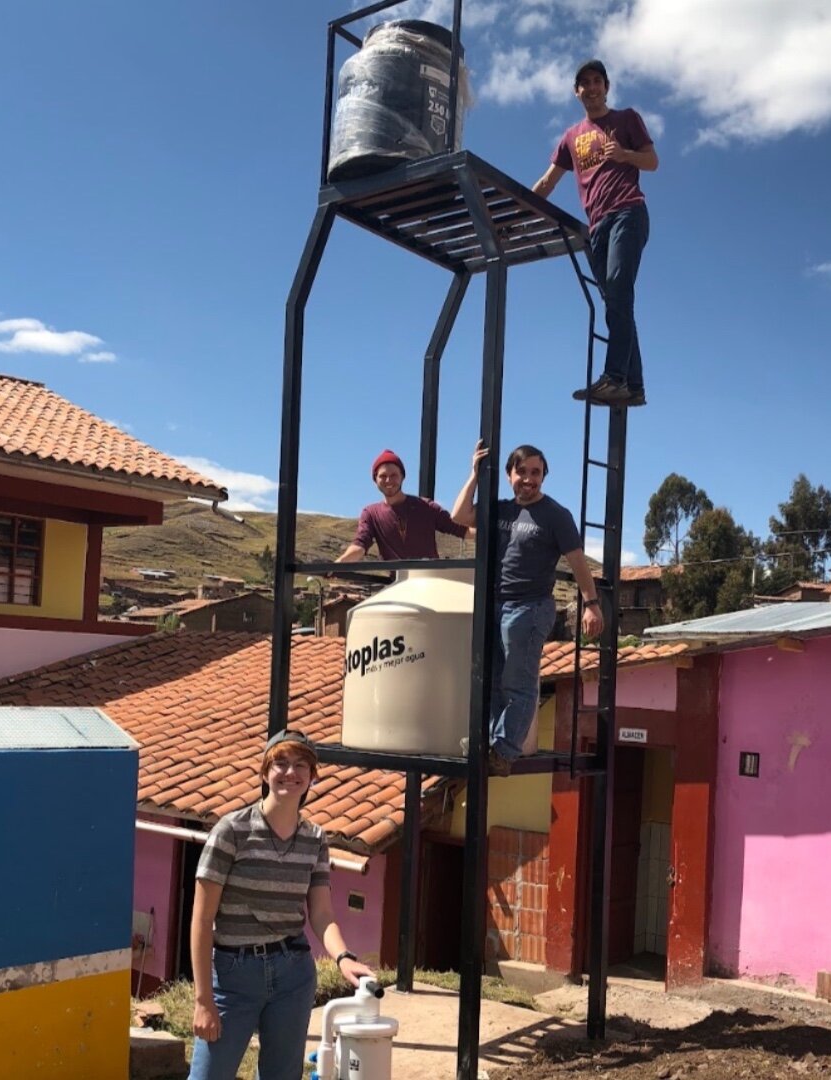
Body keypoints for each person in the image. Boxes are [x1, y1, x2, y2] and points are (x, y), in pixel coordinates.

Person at [188, 729, 373, 1080]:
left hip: (293, 974)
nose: (291, 772)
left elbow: (321, 914)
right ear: (264, 773)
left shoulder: (315, 839)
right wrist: (203, 999)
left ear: (312, 777)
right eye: (281, 763)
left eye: (301, 765)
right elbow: (201, 919)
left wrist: (344, 957)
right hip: (233, 975)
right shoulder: (231, 831)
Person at [452, 440, 604, 776]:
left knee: (517, 683)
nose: (529, 479)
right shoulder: (501, 509)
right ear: (510, 475)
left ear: (544, 477)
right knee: (491, 679)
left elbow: (578, 562)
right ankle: (491, 744)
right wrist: (474, 475)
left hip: (529, 608)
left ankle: (504, 750)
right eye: (522, 472)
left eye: (536, 473)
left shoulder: (555, 515)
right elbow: (459, 515)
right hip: (495, 604)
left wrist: (591, 604)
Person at [532, 59, 659, 408]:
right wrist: (517, 210)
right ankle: (634, 385)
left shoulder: (626, 119)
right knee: (615, 303)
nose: (591, 87)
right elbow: (548, 181)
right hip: (597, 225)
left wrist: (624, 154)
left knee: (619, 288)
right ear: (577, 92)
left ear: (606, 86)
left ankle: (614, 377)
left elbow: (652, 161)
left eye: (597, 81)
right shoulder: (571, 136)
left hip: (628, 212)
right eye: (584, 83)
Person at [335, 449, 471, 563]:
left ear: (402, 477)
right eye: (383, 476)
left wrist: (475, 474)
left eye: (393, 475)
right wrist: (338, 564)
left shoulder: (426, 507)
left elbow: (463, 531)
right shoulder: (370, 513)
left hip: (430, 584)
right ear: (375, 480)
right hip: (397, 587)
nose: (388, 480)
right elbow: (360, 546)